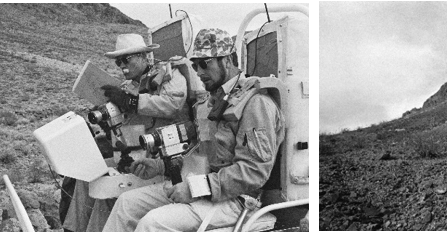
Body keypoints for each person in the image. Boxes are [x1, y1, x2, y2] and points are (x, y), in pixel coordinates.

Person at [102, 28, 285, 231]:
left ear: (228, 60)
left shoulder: (256, 104)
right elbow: (200, 155)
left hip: (237, 199)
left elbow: (253, 172)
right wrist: (160, 166)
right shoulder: (210, 103)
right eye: (195, 65)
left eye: (205, 64)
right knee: (126, 205)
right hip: (202, 185)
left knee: (152, 223)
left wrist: (195, 188)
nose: (198, 72)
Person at [61, 33, 195, 232]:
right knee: (86, 177)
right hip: (139, 158)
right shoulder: (127, 87)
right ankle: (74, 229)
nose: (122, 65)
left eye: (126, 59)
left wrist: (131, 102)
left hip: (166, 163)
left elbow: (172, 105)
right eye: (118, 62)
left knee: (108, 192)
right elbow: (128, 129)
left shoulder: (169, 74)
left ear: (143, 56)